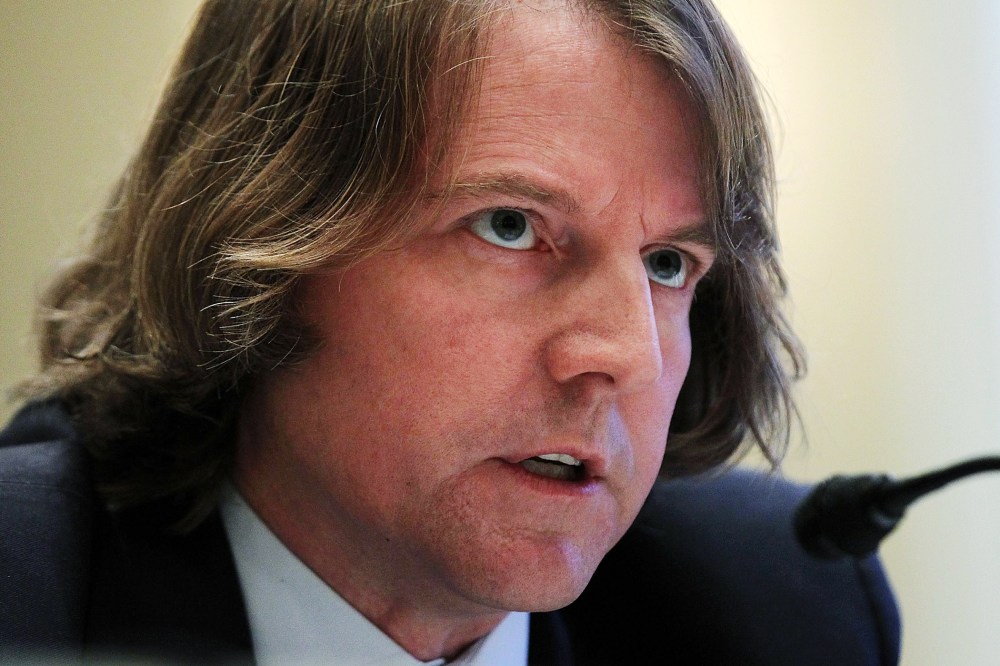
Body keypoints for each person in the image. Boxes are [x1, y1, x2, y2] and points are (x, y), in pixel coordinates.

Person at [0, 0, 899, 664]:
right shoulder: (28, 592)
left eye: (668, 264)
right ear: (254, 252)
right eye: (509, 225)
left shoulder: (785, 616)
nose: (628, 354)